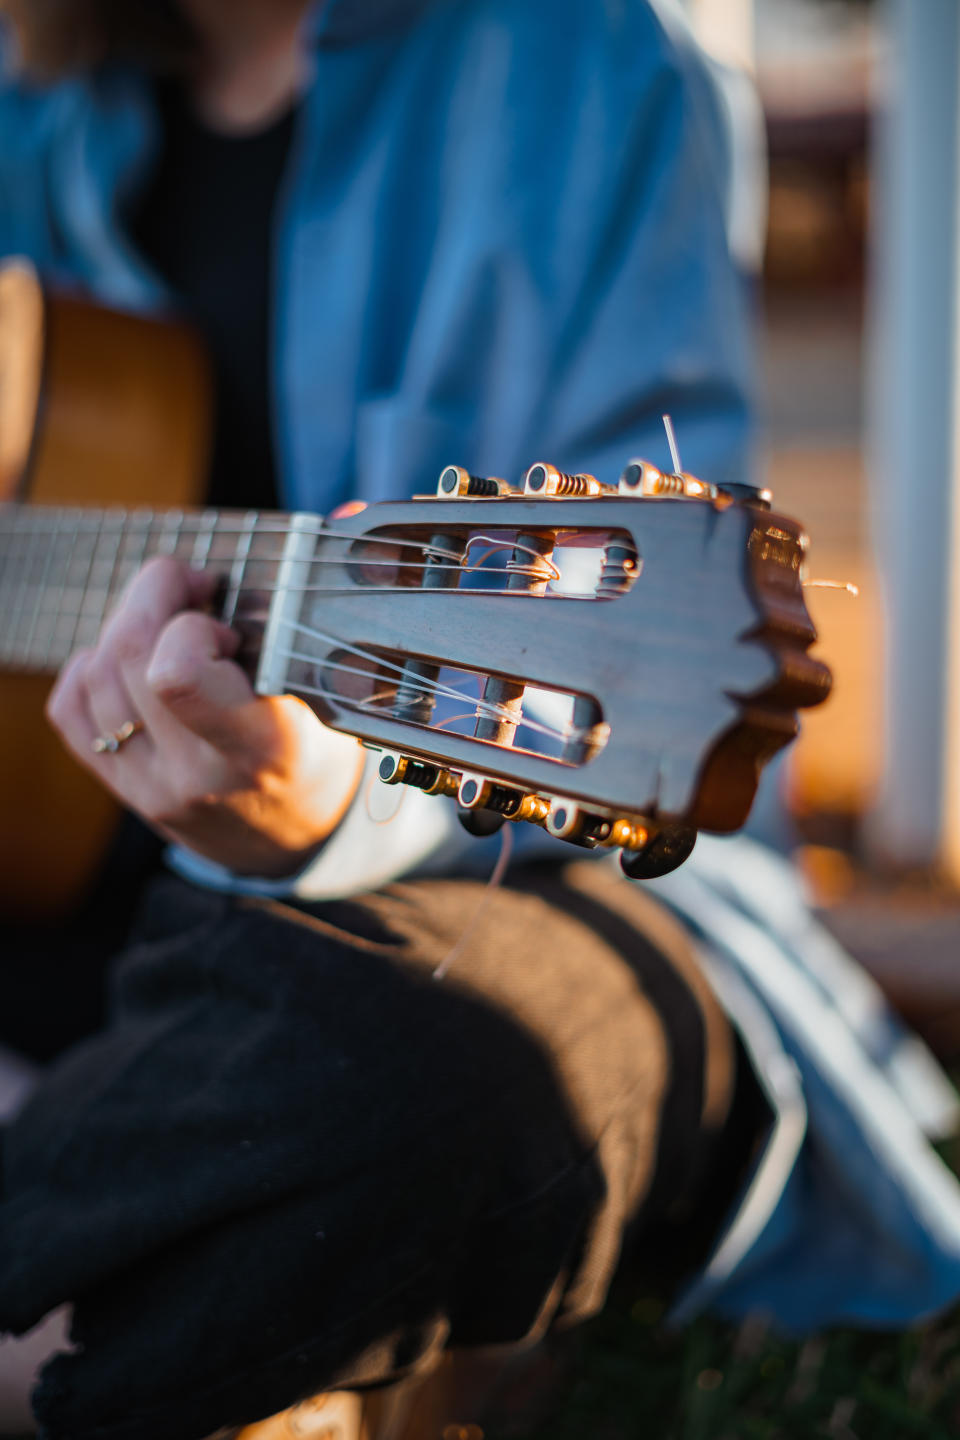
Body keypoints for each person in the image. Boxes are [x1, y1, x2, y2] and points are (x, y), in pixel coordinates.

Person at [4, 3, 960, 1439]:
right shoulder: (36, 107)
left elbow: (654, 724)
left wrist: (319, 810)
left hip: (497, 894)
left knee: (406, 1081)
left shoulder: (584, 72)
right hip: (67, 903)